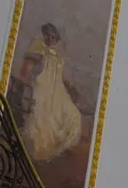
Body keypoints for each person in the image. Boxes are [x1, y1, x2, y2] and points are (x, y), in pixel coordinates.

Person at [18, 22, 85, 161]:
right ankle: (39, 151)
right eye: (47, 35)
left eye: (53, 36)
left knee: (73, 114)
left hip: (57, 88)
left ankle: (61, 147)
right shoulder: (38, 47)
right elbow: (27, 67)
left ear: (56, 38)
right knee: (44, 116)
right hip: (42, 85)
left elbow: (59, 75)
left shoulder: (59, 55)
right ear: (44, 36)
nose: (50, 38)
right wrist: (23, 79)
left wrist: (69, 84)